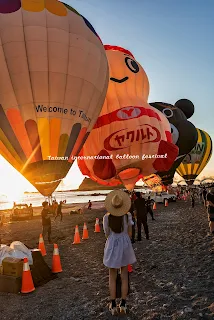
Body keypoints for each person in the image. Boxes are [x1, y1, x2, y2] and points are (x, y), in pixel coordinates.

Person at [103, 190, 136, 315]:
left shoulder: (106, 217)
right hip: (125, 245)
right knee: (124, 275)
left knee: (112, 276)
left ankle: (112, 304)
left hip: (112, 243)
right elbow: (130, 232)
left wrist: (113, 240)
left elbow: (107, 233)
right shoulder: (127, 216)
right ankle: (123, 303)